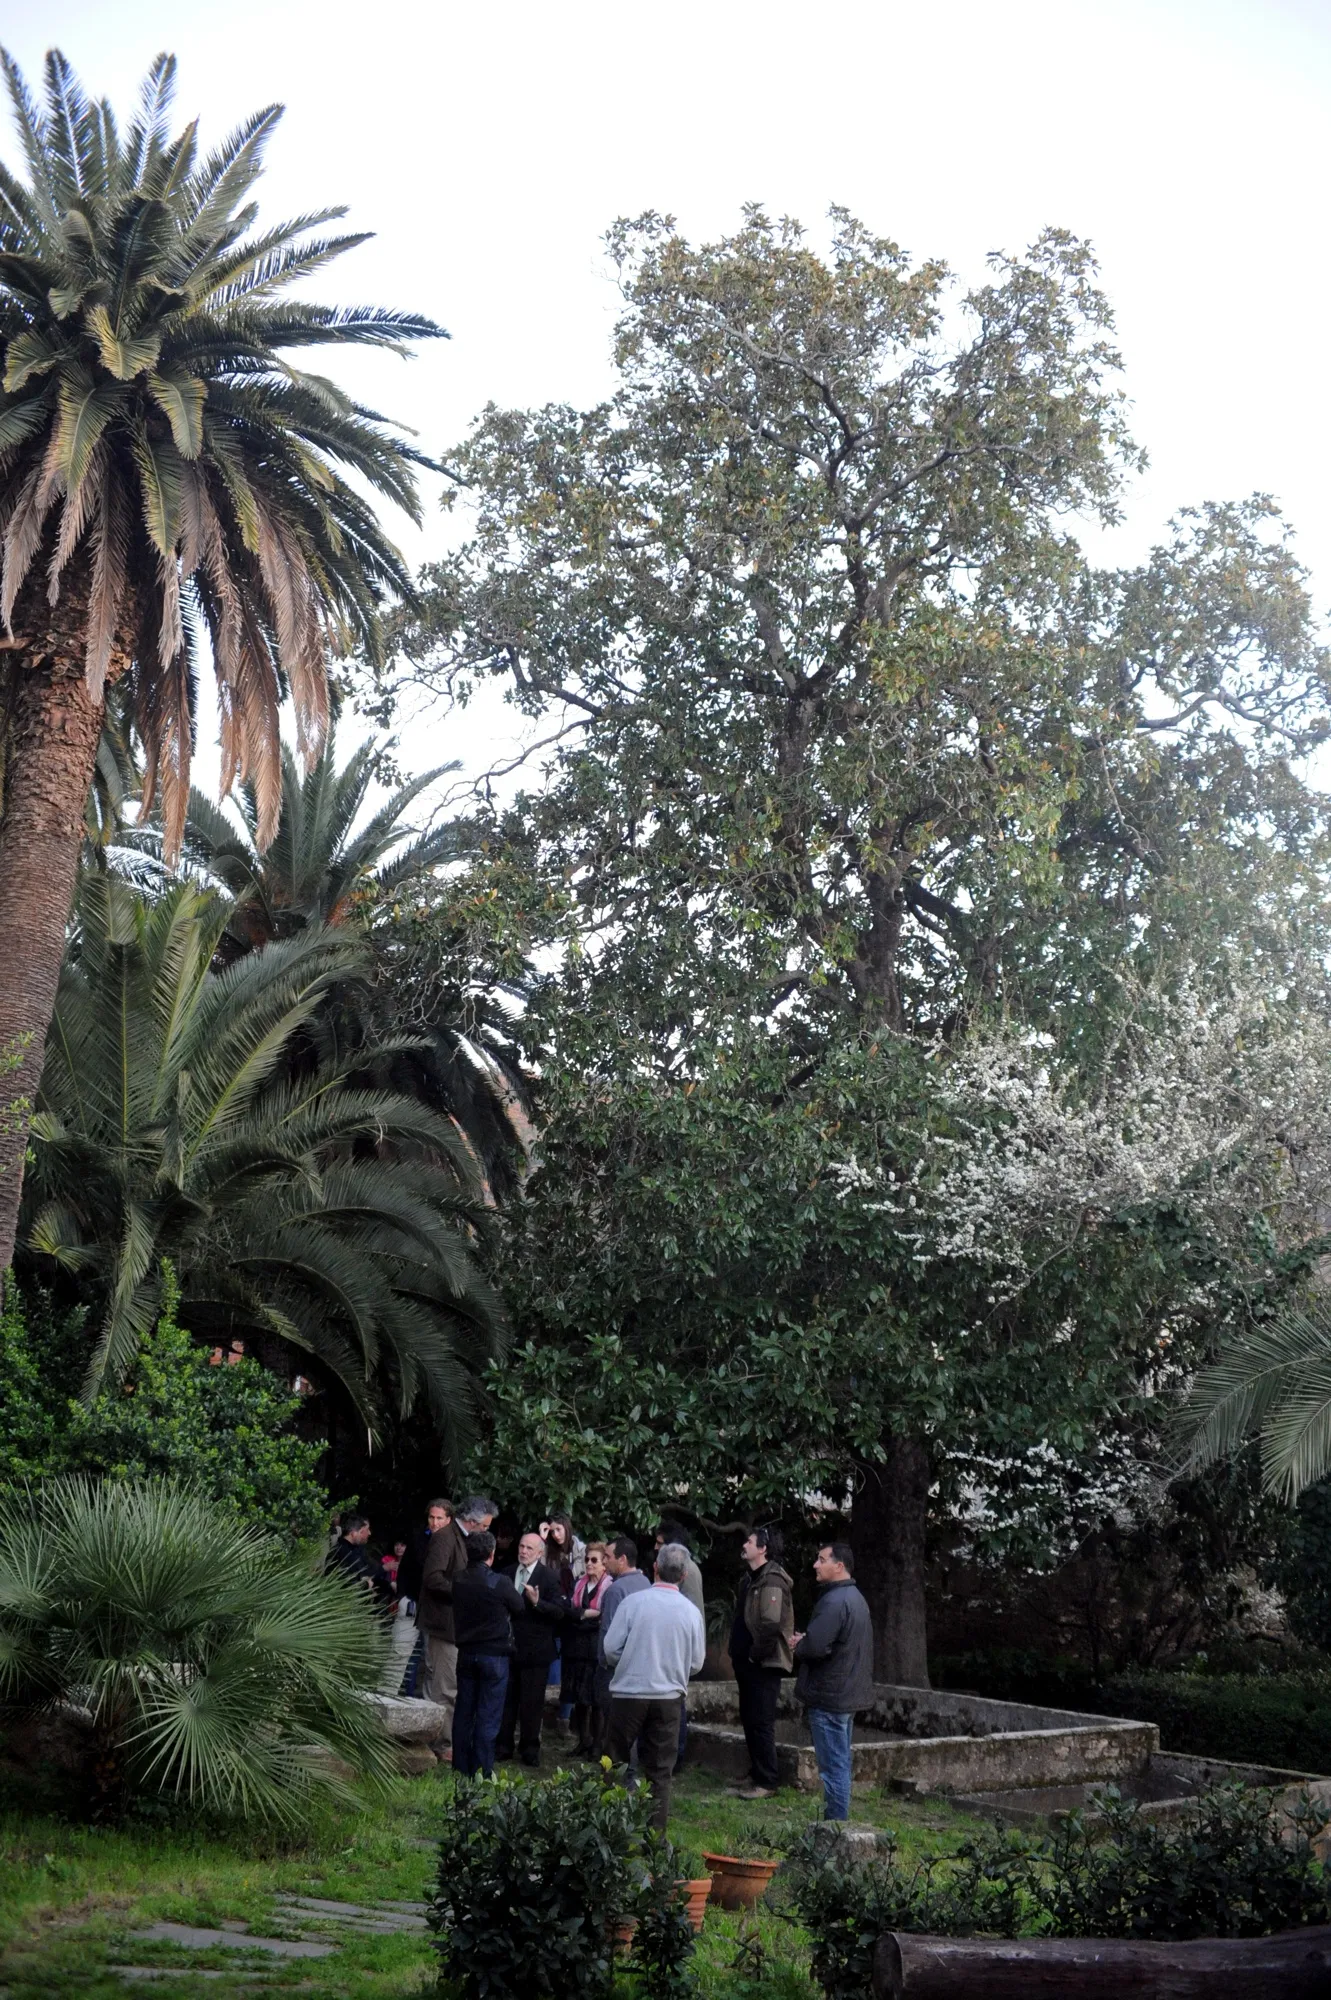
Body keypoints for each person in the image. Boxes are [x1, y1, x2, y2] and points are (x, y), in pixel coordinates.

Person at [603, 1543, 705, 1830]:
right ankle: (655, 1839)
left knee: (615, 1762)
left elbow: (610, 1648)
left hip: (629, 1693)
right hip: (669, 1697)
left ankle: (607, 1829)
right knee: (660, 1770)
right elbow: (696, 1663)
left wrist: (633, 1661)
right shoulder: (691, 1612)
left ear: (655, 1568)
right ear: (684, 1575)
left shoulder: (633, 1603)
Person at [792, 1542, 873, 1822]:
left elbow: (816, 1647)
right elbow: (836, 1643)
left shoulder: (834, 1601)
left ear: (839, 1566)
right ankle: (836, 1826)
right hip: (844, 1693)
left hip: (830, 1696)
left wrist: (800, 1646)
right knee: (839, 1764)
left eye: (821, 1559)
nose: (816, 1564)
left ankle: (836, 1829)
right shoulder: (855, 1598)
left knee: (833, 1768)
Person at [451, 1531, 525, 1778]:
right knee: (488, 1715)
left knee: (464, 1711)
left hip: (466, 1652)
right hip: (494, 1655)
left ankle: (461, 1766)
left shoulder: (459, 1579)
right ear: (492, 1555)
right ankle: (482, 1770)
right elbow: (519, 1606)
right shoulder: (499, 1581)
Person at [729, 1525, 795, 1800]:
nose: (744, 1545)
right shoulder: (751, 1578)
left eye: (749, 1541)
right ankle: (757, 1773)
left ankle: (767, 1781)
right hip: (748, 1661)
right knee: (749, 1717)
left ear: (763, 1549)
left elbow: (770, 1625)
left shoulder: (772, 1581)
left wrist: (755, 1654)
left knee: (761, 1720)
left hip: (763, 1663)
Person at [497, 1530, 565, 1765]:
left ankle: (529, 1749)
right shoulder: (506, 1573)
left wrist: (537, 1603)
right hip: (509, 1648)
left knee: (532, 1704)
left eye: (529, 1548)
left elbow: (559, 1612)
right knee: (507, 1701)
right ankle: (503, 1746)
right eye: (521, 1546)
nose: (523, 1551)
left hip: (536, 1651)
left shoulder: (548, 1577)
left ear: (539, 1552)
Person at [416, 1497, 468, 1754]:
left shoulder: (449, 1537)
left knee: (438, 1679)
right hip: (440, 1620)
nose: (434, 1523)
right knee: (441, 1683)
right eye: (431, 1517)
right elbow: (432, 1578)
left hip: (443, 1620)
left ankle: (438, 1739)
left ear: (449, 1518)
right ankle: (439, 1742)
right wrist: (461, 1591)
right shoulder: (444, 1537)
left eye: (439, 1518)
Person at [594, 1535, 652, 1732]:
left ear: (622, 1559)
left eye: (608, 1556)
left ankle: (618, 1763)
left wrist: (604, 1662)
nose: (603, 1561)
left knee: (616, 1725)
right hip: (642, 1666)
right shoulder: (646, 1583)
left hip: (615, 1670)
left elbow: (608, 1634)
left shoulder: (615, 1590)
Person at [562, 1541, 611, 1756]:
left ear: (604, 1564)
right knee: (579, 1699)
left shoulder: (609, 1586)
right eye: (587, 1560)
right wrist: (584, 1615)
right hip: (576, 1649)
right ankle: (584, 1740)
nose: (589, 1564)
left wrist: (580, 1615)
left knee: (596, 1700)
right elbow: (570, 1612)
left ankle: (598, 1744)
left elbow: (602, 1615)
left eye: (594, 1560)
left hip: (595, 1650)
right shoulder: (578, 1584)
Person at [326, 1513, 394, 1608]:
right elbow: (347, 1584)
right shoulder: (344, 1553)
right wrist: (366, 1585)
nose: (369, 1533)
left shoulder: (353, 1550)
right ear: (354, 1533)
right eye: (364, 1531)